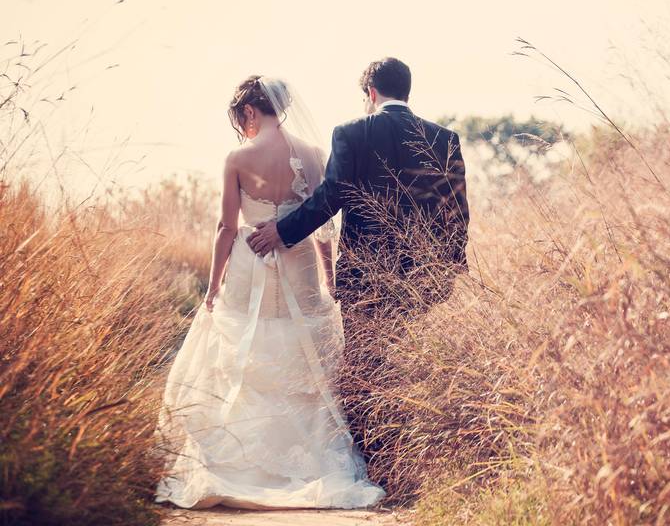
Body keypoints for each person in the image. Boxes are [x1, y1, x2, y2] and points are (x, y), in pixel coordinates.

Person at [155, 76, 385, 510]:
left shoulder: (239, 157)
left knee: (247, 348)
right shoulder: (315, 154)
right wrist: (329, 281)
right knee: (302, 357)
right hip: (299, 266)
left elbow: (226, 228)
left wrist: (213, 284)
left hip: (250, 265)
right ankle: (313, 468)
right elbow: (322, 223)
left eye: (239, 117)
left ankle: (240, 466)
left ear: (248, 112)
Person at [247, 57, 470, 463]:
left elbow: (330, 198)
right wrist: (449, 271)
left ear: (370, 93)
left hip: (364, 273)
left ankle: (374, 456)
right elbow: (457, 211)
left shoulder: (353, 132)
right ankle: (413, 454)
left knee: (366, 360)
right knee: (410, 360)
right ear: (407, 91)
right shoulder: (445, 138)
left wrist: (282, 231)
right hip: (423, 275)